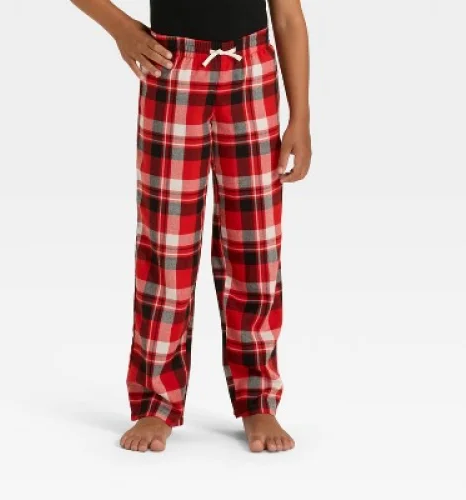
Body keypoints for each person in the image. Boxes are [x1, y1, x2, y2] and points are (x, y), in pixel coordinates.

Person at [70, 0, 312, 453]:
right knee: (167, 244)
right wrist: (120, 29)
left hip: (252, 71)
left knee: (255, 244)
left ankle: (257, 397)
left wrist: (301, 116)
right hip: (172, 69)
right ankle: (156, 401)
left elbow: (287, 16)